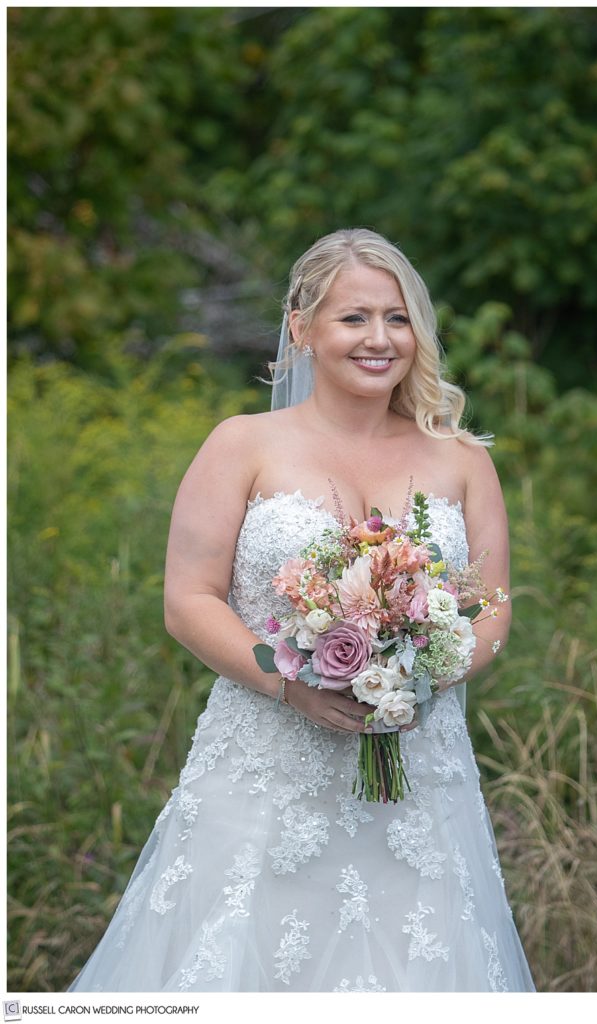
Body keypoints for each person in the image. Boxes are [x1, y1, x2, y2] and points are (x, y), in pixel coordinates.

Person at [69, 228, 535, 992]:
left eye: (397, 317)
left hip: (418, 770)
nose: (379, 338)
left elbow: (491, 611)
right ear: (301, 326)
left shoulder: (462, 460)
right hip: (263, 770)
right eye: (354, 318)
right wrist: (286, 682)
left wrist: (413, 682)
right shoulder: (242, 444)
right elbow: (188, 600)